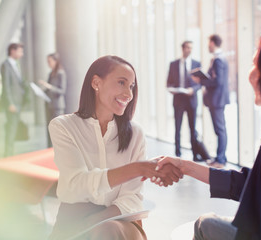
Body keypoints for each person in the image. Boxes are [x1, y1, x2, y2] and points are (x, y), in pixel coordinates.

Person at [156, 28, 261, 240]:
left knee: (204, 224)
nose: (250, 74)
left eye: (256, 64)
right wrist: (185, 166)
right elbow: (250, 183)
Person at [48, 56, 182, 240]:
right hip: (73, 217)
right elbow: (74, 186)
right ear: (96, 83)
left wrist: (96, 222)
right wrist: (137, 168)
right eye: (121, 83)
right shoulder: (63, 126)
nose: (129, 94)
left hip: (119, 220)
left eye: (132, 86)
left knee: (107, 231)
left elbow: (132, 197)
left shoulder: (135, 134)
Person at [167, 41, 211, 162]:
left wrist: (194, 89)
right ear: (182, 48)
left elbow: (200, 83)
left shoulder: (197, 64)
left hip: (191, 100)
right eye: (187, 47)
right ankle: (177, 152)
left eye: (191, 48)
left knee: (192, 127)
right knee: (177, 127)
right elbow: (168, 83)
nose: (189, 50)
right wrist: (172, 89)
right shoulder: (173, 64)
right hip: (178, 99)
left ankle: (194, 154)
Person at [192, 34, 229, 168]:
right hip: (216, 100)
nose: (208, 46)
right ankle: (219, 158)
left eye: (209, 43)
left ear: (213, 43)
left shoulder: (218, 60)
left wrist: (201, 80)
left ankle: (220, 160)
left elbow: (217, 81)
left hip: (217, 100)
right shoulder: (219, 58)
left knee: (220, 130)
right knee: (219, 129)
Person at [0, 43, 28, 157]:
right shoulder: (6, 65)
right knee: (11, 129)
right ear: (12, 51)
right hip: (12, 103)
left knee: (13, 128)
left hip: (18, 102)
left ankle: (10, 153)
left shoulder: (15, 65)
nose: (22, 54)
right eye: (20, 51)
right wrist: (10, 103)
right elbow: (6, 86)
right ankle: (8, 155)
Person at [38, 53, 67, 147]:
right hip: (49, 104)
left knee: (57, 130)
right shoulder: (51, 73)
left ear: (56, 61)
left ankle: (57, 149)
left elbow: (62, 90)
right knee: (49, 129)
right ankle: (49, 149)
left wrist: (49, 86)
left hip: (57, 106)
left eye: (49, 61)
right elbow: (48, 89)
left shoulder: (61, 73)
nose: (48, 63)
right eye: (47, 61)